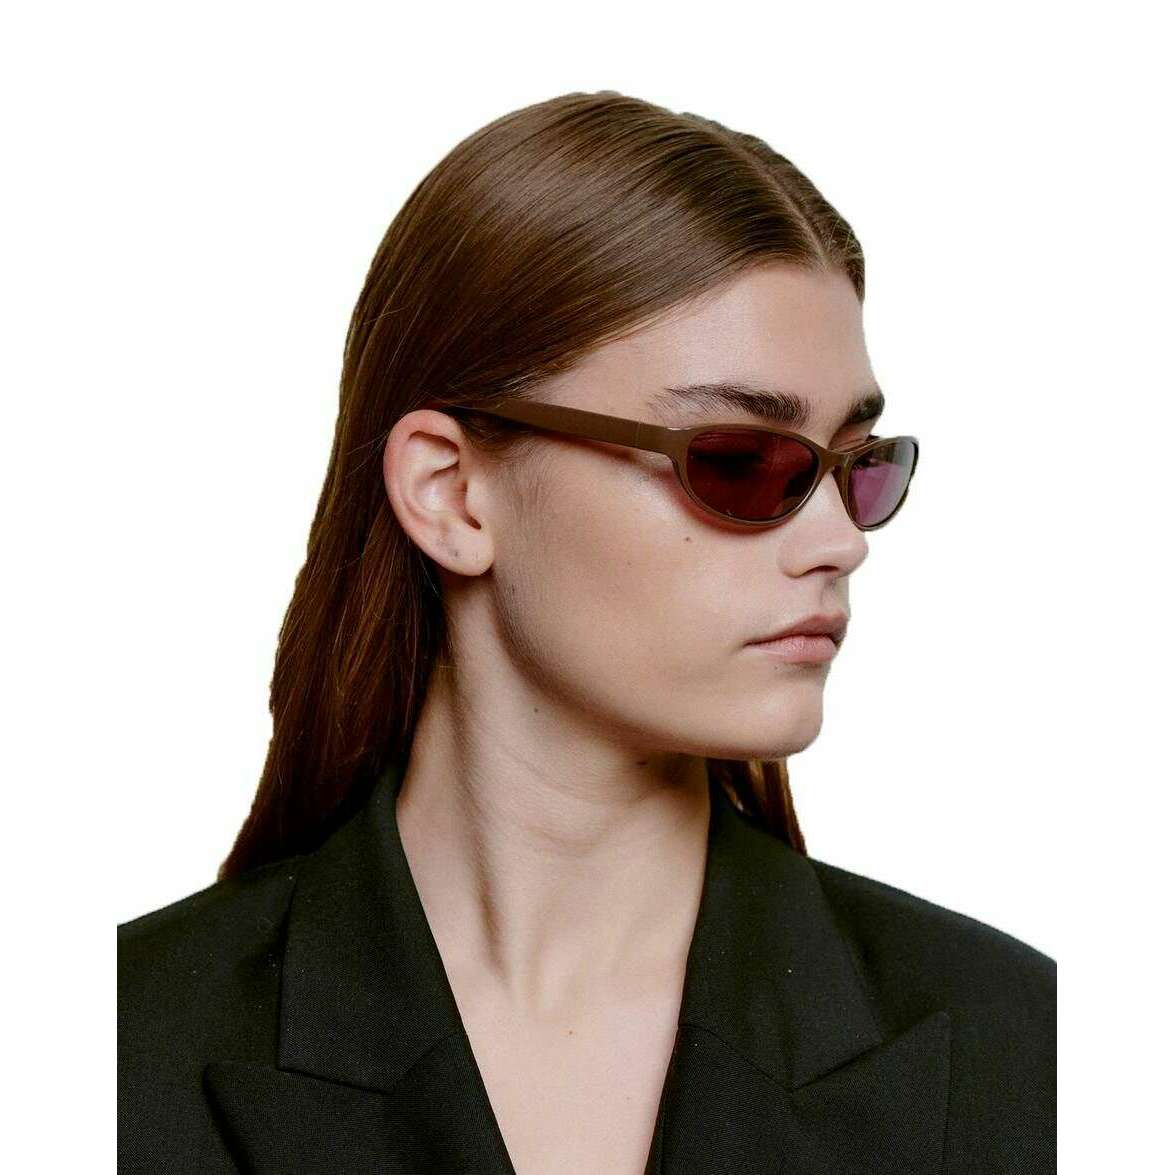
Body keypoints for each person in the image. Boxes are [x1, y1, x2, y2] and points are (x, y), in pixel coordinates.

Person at [118, 89, 1055, 1174]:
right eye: (739, 461)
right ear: (450, 492)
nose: (838, 541)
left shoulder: (1028, 1053)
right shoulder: (104, 1055)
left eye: (859, 466)